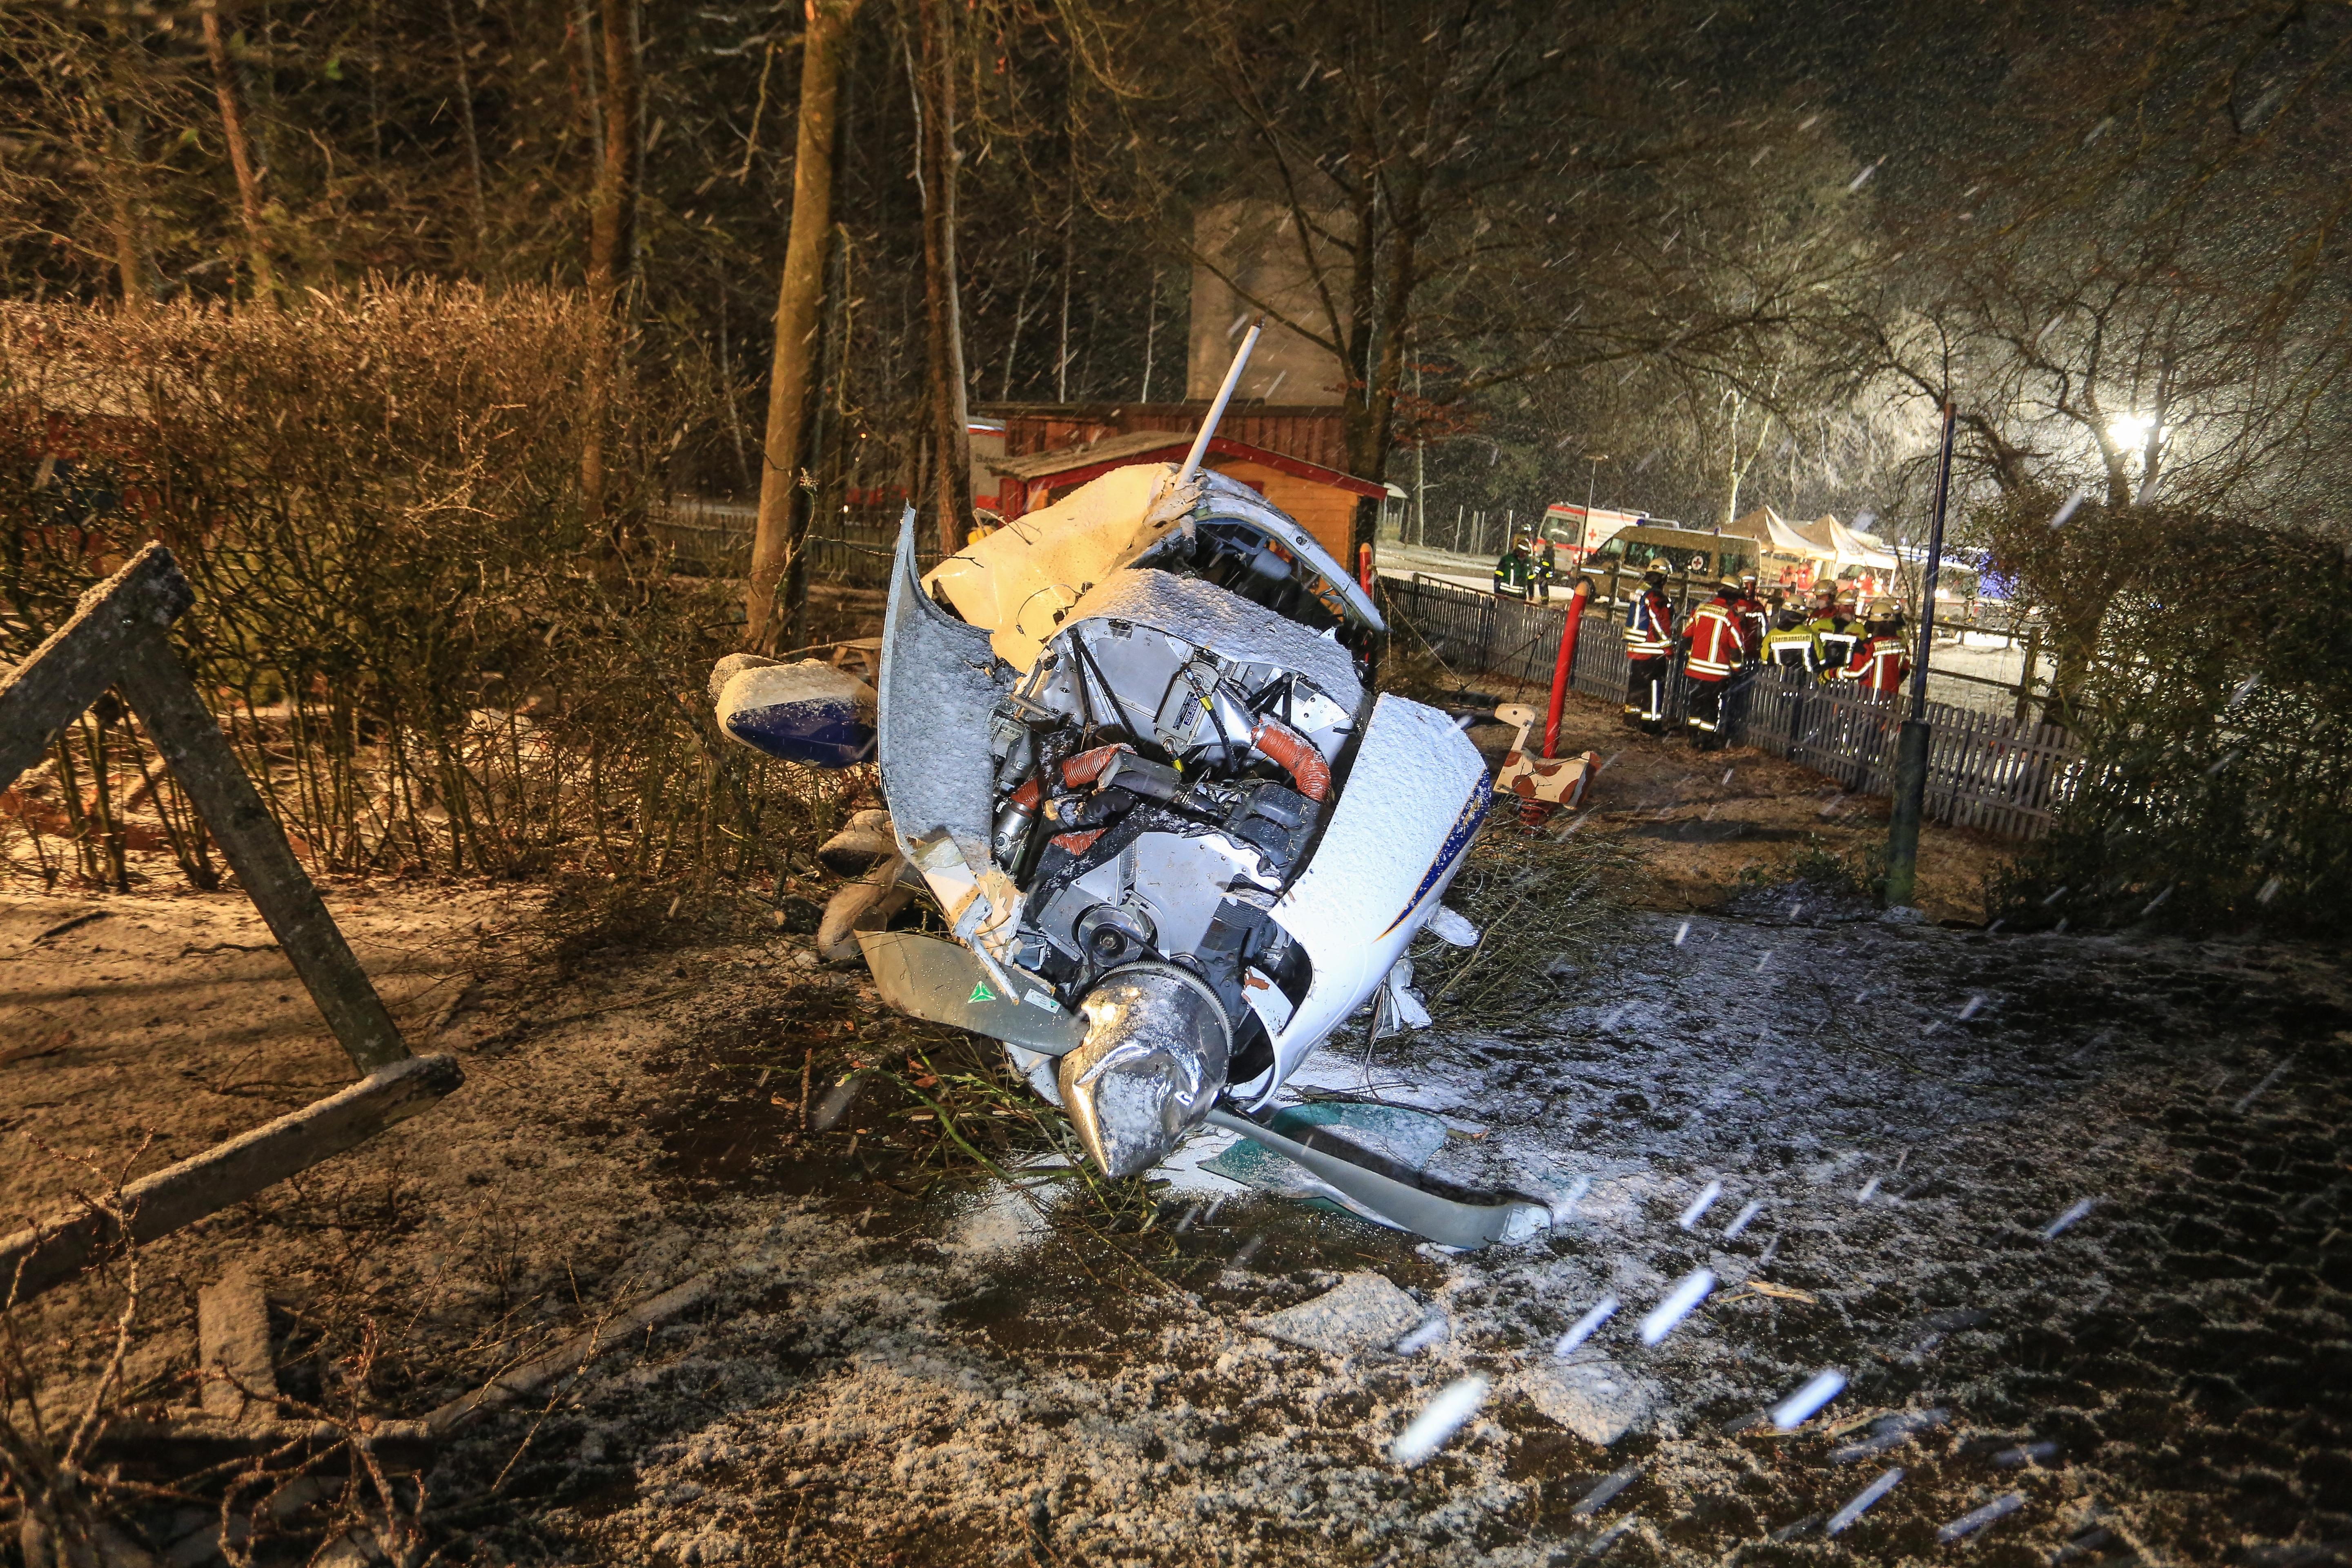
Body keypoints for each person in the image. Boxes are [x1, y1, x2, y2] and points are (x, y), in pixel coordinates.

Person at [1682, 575, 1747, 750]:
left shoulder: (1700, 610)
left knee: (1696, 703)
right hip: (1716, 674)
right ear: (1734, 597)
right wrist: (1738, 668)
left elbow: (1686, 636)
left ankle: (1693, 737)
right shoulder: (1730, 616)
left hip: (1694, 670)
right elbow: (1736, 646)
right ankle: (1706, 740)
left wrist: (1692, 655)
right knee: (1711, 707)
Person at [1621, 560, 1676, 733]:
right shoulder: (1656, 596)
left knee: (1637, 686)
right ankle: (1651, 725)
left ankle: (1632, 718)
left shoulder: (1641, 590)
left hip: (1637, 648)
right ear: (1664, 577)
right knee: (1654, 688)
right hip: (1652, 650)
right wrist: (1668, 648)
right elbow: (1660, 623)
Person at [1842, 614, 1911, 697]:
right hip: (1890, 700)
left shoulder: (1869, 645)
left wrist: (1832, 673)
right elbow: (1905, 670)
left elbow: (1855, 672)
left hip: (1869, 700)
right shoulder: (1902, 645)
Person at [1763, 606, 1824, 678]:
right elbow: (1821, 658)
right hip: (1806, 680)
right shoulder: (1810, 634)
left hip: (1779, 680)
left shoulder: (1772, 634)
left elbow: (1765, 658)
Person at [1734, 572, 1770, 661]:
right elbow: (1765, 633)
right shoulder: (1758, 608)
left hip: (1740, 651)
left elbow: (1764, 632)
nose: (1749, 589)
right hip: (1746, 652)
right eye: (1747, 586)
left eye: (1752, 586)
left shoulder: (1758, 608)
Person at [1493, 533, 1537, 600]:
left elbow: (1531, 580)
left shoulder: (1528, 563)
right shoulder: (1507, 560)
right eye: (1522, 553)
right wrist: (1497, 591)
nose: (1524, 555)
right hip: (1505, 595)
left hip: (1520, 597)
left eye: (1526, 553)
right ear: (1518, 551)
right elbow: (1498, 576)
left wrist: (1531, 594)